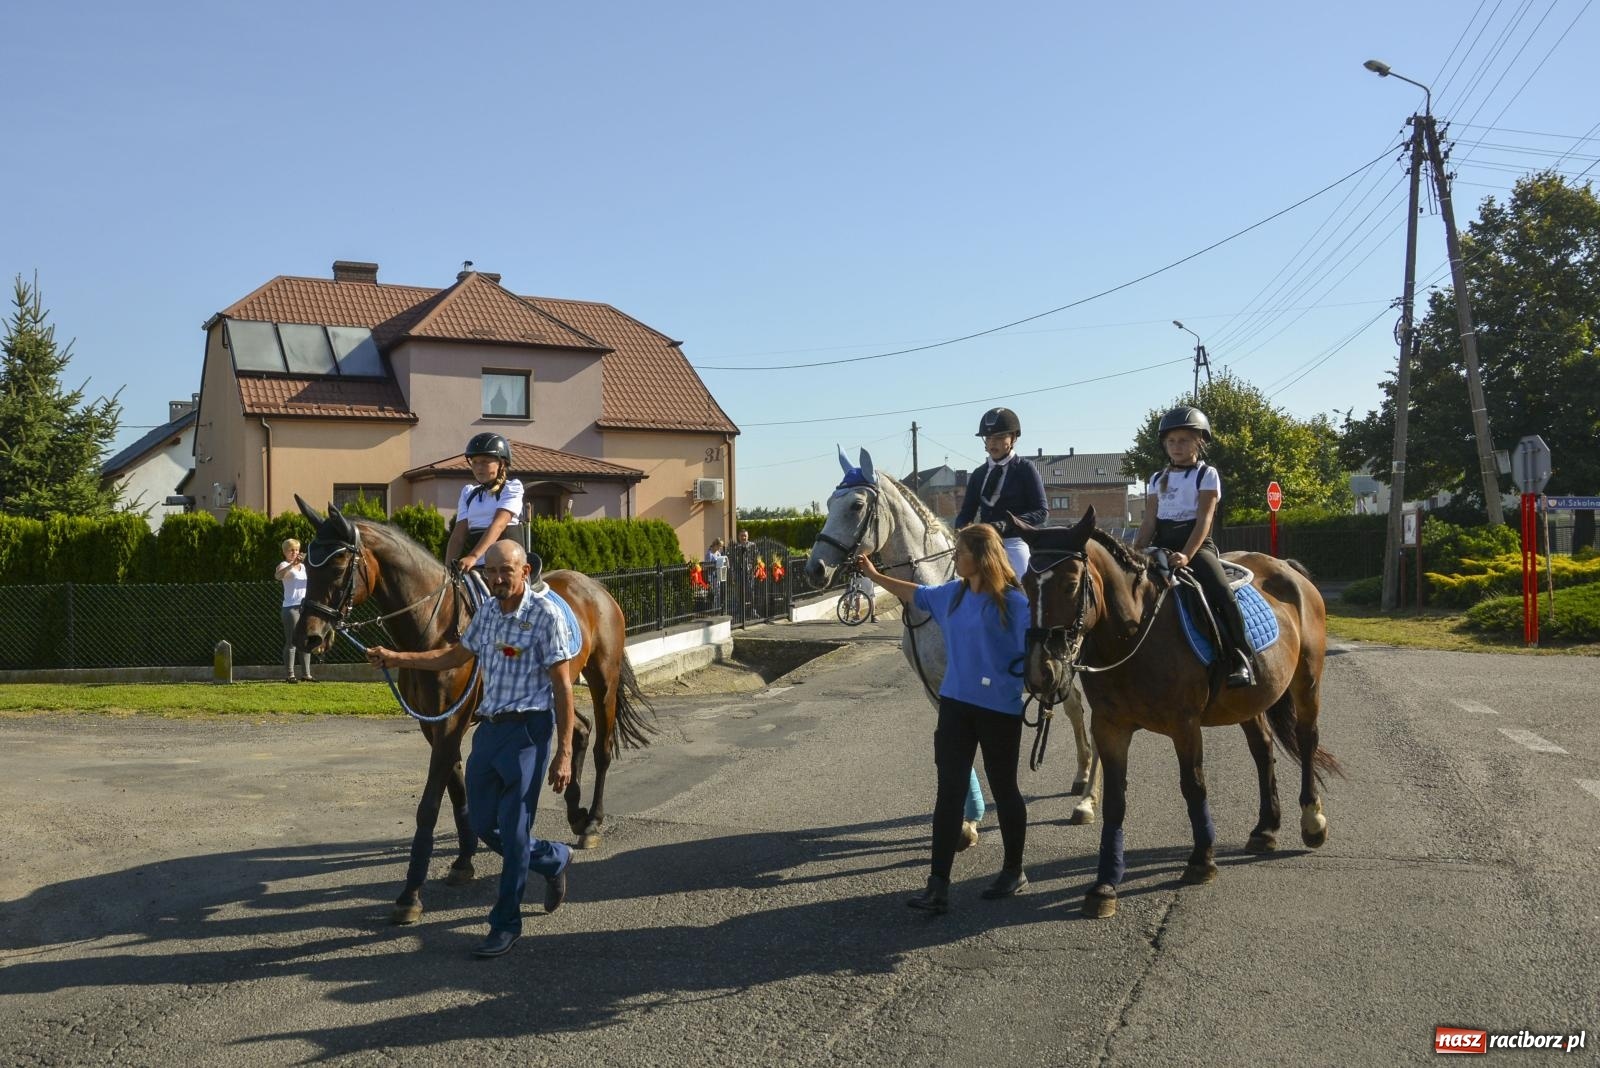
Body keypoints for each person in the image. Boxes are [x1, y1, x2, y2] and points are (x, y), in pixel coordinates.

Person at [364, 541, 579, 958]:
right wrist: (398, 658)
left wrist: (564, 751)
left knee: (514, 833)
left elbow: (562, 687)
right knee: (483, 825)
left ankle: (505, 924)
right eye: (491, 570)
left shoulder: (544, 616)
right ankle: (553, 858)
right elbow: (454, 655)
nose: (498, 578)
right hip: (490, 731)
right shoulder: (487, 612)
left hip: (528, 733)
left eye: (506, 570)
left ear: (524, 570)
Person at [856, 523, 1030, 913]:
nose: (954, 556)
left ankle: (1014, 870)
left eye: (961, 551)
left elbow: (1037, 652)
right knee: (949, 792)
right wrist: (874, 575)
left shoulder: (1016, 603)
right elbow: (913, 593)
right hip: (955, 706)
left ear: (981, 556)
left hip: (1000, 710)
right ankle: (938, 885)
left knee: (1005, 789)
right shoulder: (952, 595)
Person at [1132, 405, 1256, 688]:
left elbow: (1204, 519)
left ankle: (1240, 656)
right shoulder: (1155, 478)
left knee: (1220, 590)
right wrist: (1136, 549)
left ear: (1199, 442)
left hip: (1196, 545)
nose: (1176, 446)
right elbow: (1150, 521)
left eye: (1184, 440)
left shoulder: (1206, 475)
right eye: (1171, 441)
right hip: (1162, 545)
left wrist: (1187, 554)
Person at [954, 407, 1048, 579]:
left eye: (998, 437)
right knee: (957, 581)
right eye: (989, 438)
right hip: (983, 543)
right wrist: (961, 530)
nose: (992, 443)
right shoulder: (979, 474)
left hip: (1014, 541)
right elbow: (967, 512)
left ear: (1013, 438)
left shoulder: (1025, 469)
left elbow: (1041, 512)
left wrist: (1007, 524)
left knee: (1022, 579)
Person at [444, 432, 526, 575]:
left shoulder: (512, 488)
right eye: (475, 462)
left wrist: (473, 556)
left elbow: (498, 525)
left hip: (507, 565)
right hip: (476, 566)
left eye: (485, 462)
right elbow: (458, 536)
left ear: (501, 464)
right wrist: (446, 569)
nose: (479, 467)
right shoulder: (468, 493)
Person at [275, 538, 314, 683]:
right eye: (292, 550)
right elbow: (278, 576)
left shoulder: (303, 567)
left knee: (305, 640)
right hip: (290, 608)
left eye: (297, 550)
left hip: (304, 607)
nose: (295, 552)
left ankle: (306, 674)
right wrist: (292, 564)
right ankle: (290, 674)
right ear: (285, 552)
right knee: (292, 641)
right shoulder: (284, 565)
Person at [706, 537, 728, 611]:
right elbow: (707, 565)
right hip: (712, 575)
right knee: (715, 592)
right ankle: (714, 608)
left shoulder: (718, 553)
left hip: (718, 574)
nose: (720, 548)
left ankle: (718, 608)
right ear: (715, 545)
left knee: (718, 592)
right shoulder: (709, 554)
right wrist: (715, 565)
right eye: (719, 546)